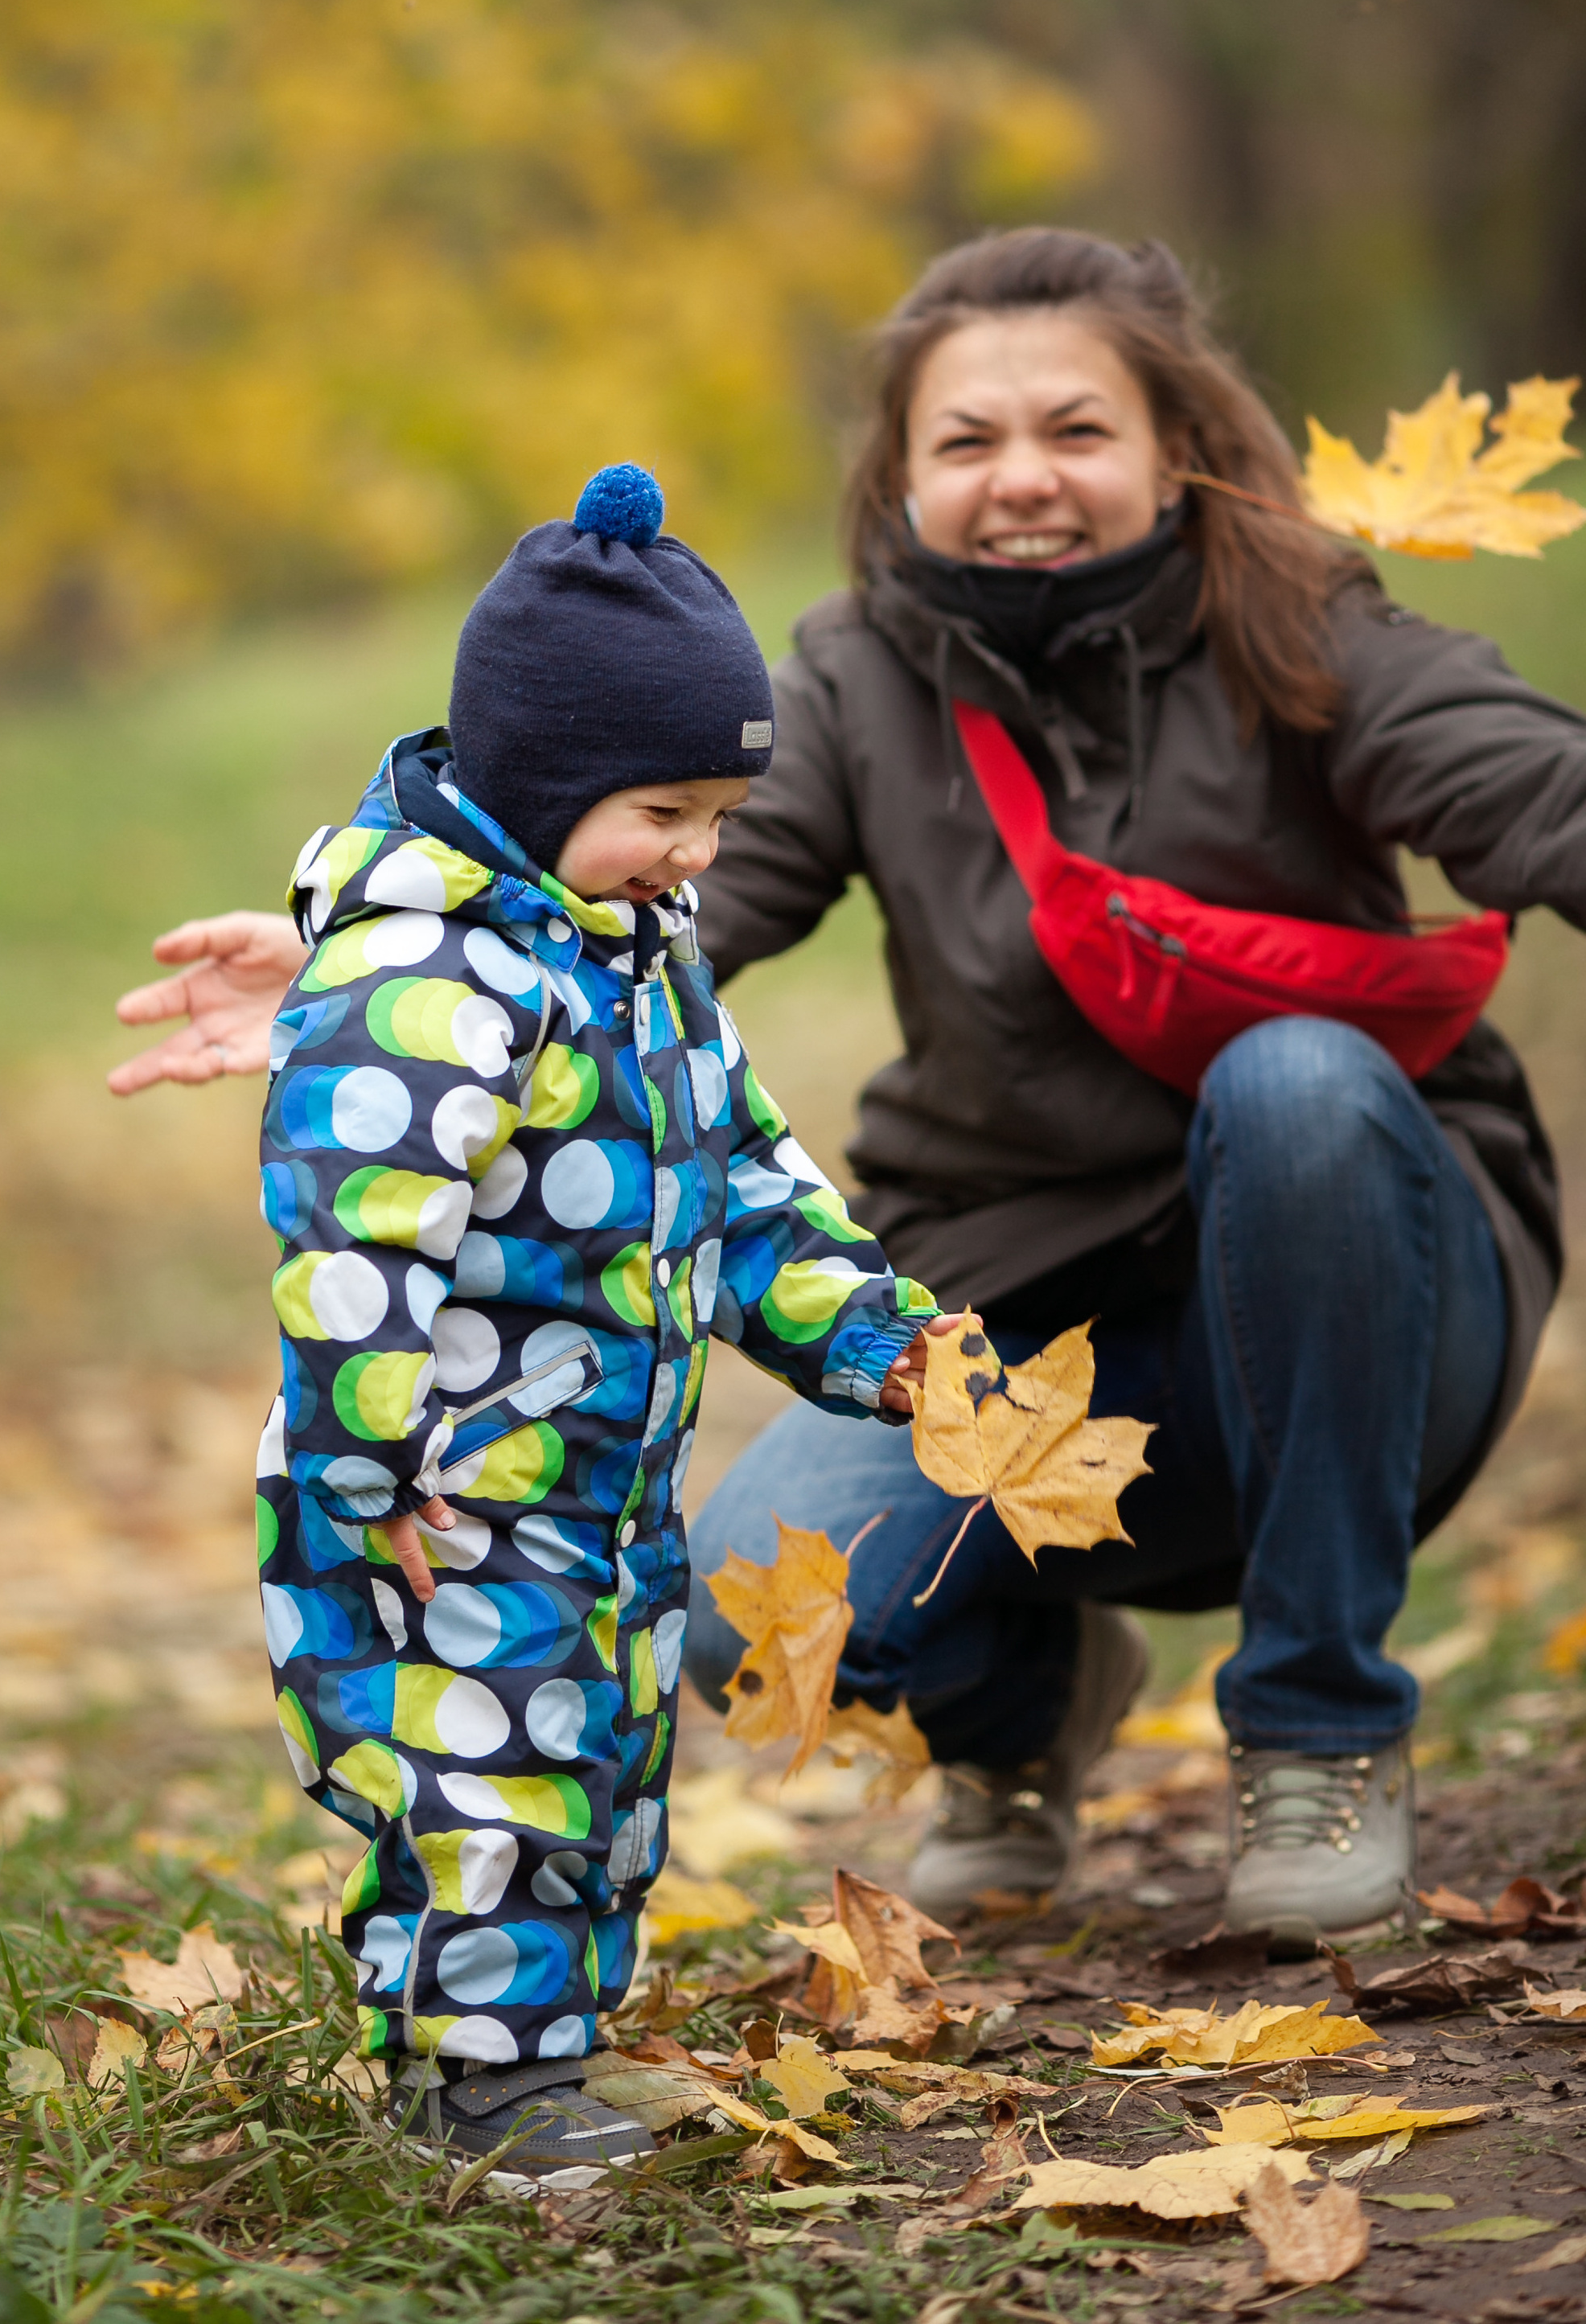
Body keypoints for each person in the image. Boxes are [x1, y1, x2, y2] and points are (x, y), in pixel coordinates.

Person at [110, 229, 1586, 1951]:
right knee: (726, 1603)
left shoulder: (1303, 625)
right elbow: (655, 899)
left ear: (1175, 448)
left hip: (1356, 1291)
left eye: (1074, 431)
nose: (1022, 480)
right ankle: (1020, 1710)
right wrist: (405, 975)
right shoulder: (851, 680)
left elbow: (1560, 801)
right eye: (966, 441)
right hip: (1012, 1323)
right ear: (902, 470)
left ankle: (1317, 1728)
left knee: (1296, 1083)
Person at [220, 459, 943, 2183]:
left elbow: (743, 1189)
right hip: (442, 1497)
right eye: (664, 812)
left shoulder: (627, 949)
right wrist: (363, 1476)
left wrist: (874, 1333)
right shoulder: (422, 981)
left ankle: (547, 2053)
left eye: (718, 817)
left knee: (599, 1773)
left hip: (602, 1489)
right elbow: (351, 1261)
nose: (696, 857)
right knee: (487, 1781)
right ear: (541, 778)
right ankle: (477, 2090)